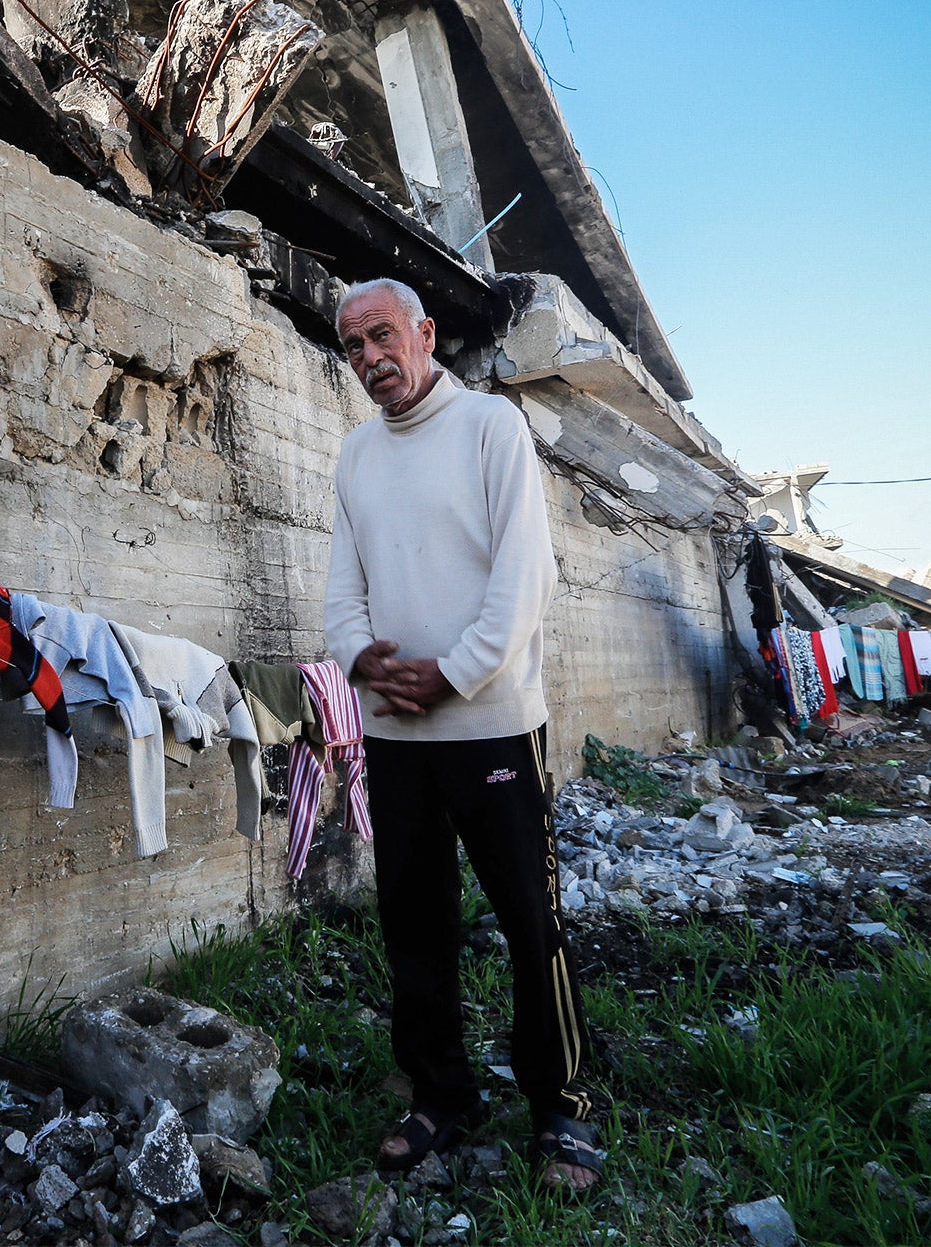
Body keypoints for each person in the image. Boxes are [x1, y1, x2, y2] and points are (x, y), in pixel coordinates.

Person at [323, 277, 603, 1192]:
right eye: (353, 345)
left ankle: (561, 1108)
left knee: (530, 920)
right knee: (414, 925)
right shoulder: (355, 458)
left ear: (425, 333)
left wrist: (450, 673)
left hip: (490, 727)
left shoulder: (492, 427)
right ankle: (441, 1095)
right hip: (396, 735)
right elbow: (340, 594)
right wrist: (364, 660)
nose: (369, 358)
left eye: (382, 336)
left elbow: (527, 578)